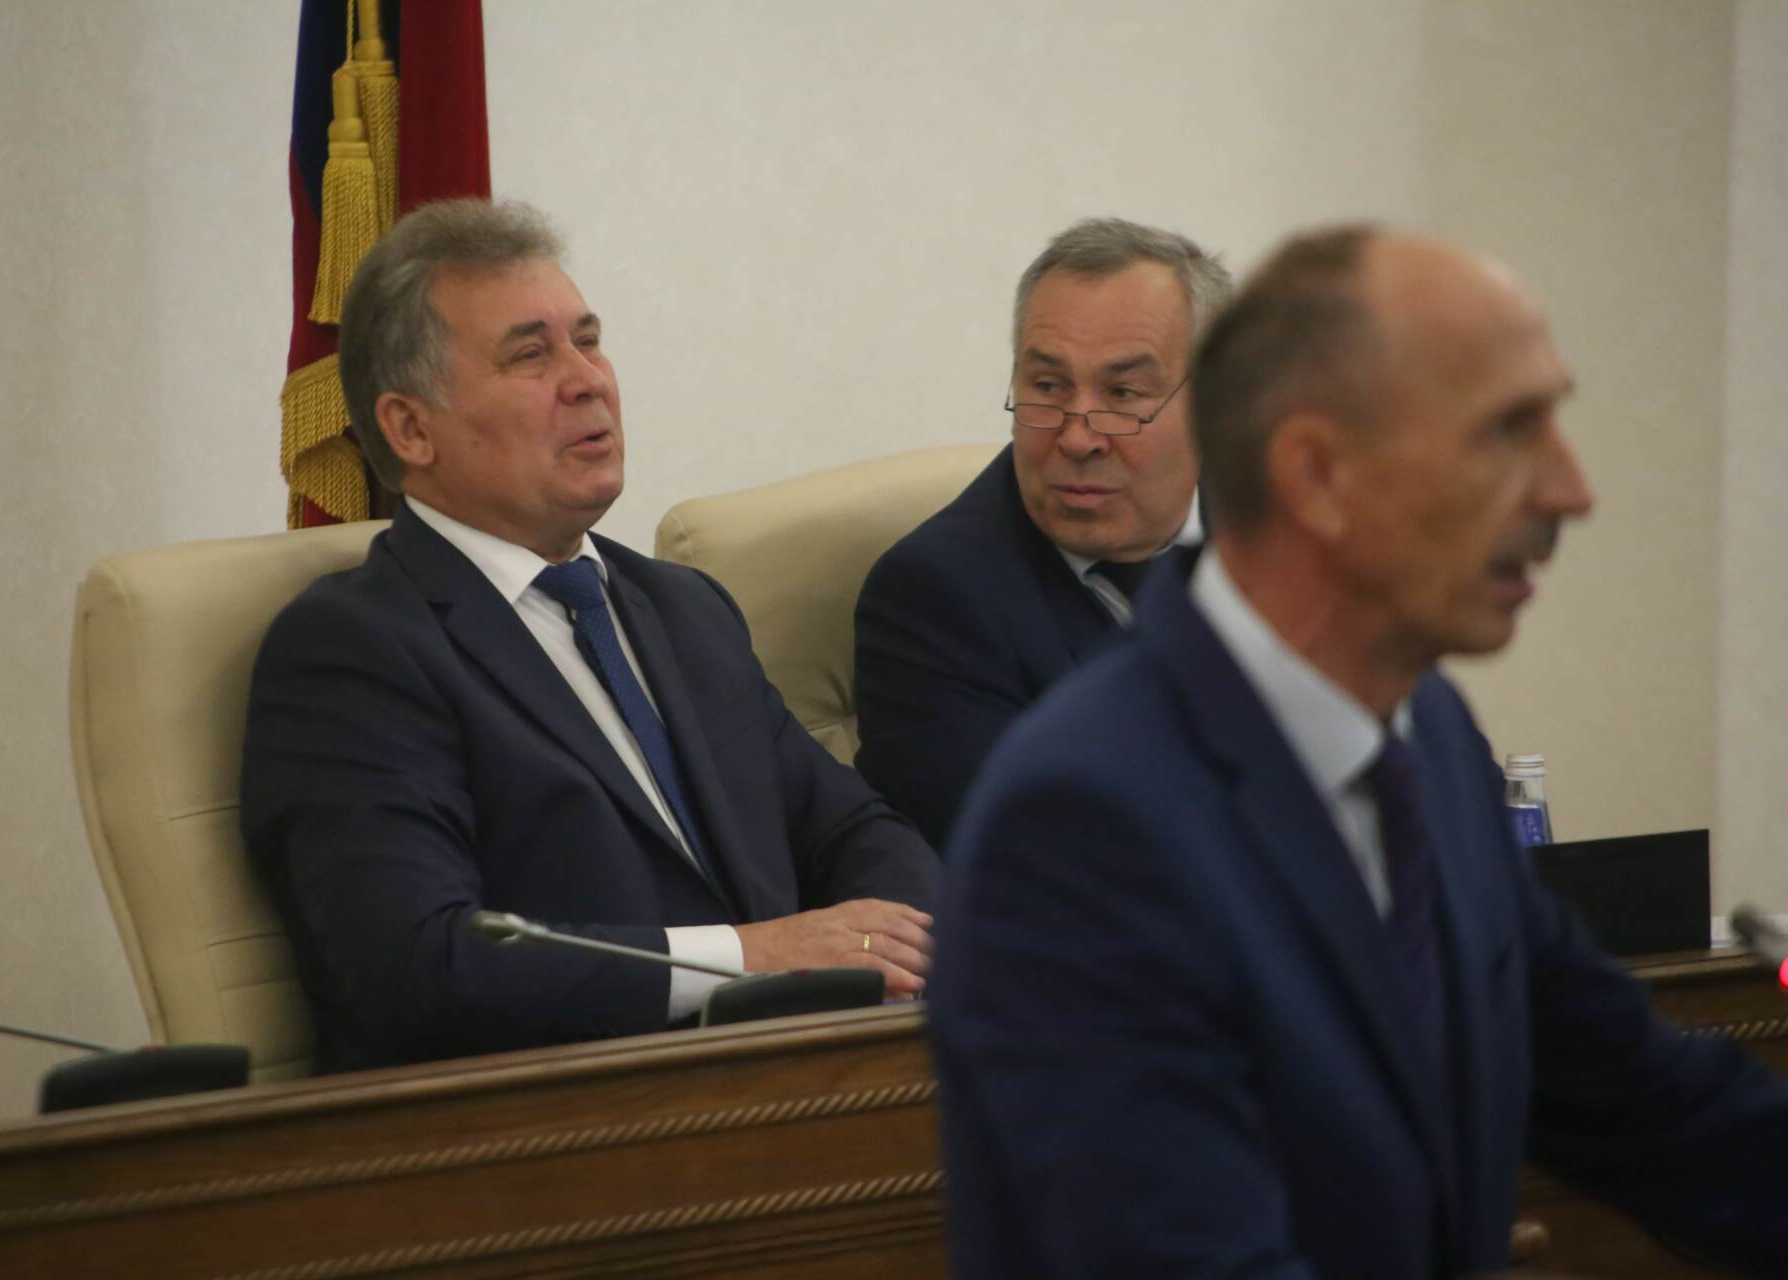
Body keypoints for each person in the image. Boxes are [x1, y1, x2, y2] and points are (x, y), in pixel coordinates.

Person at [929, 226, 1788, 1276]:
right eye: (1506, 434)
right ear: (1319, 475)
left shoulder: (1426, 734)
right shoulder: (1084, 823)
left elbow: (1647, 1101)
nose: (1570, 491)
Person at [242, 199, 938, 1074]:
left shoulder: (683, 610)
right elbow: (417, 967)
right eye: (530, 355)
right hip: (549, 1123)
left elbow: (857, 831)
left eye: (589, 341)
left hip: (796, 1087)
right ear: (411, 428)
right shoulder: (356, 650)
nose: (588, 381)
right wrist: (753, 957)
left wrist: (893, 950)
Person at [853, 218, 1229, 851]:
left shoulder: (1293, 533)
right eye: (1048, 387)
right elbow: (1044, 860)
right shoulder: (932, 600)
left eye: (1123, 393)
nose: (1077, 438)